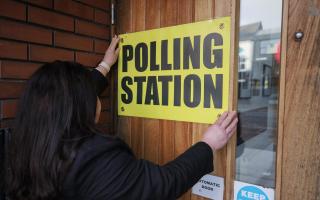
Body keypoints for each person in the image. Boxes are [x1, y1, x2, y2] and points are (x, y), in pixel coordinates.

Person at [4, 36, 238, 200]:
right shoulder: (95, 161)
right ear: (80, 107)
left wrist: (105, 66)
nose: (96, 98)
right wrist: (208, 143)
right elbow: (163, 184)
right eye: (90, 95)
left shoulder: (26, 144)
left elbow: (65, 99)